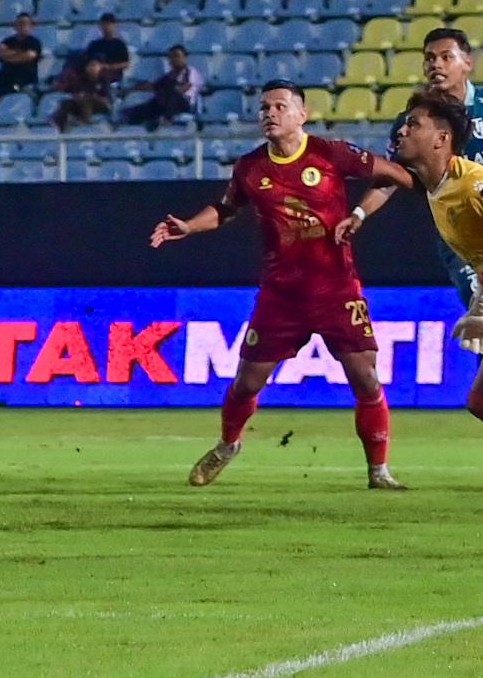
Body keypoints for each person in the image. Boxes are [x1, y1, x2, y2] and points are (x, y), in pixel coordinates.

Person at [149, 81, 411, 491]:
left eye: (279, 106)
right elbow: (225, 209)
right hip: (281, 298)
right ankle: (228, 444)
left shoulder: (331, 153)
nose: (269, 113)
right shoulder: (251, 167)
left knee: (366, 379)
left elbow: (397, 176)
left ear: (301, 114)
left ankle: (379, 471)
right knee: (246, 382)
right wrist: (190, 225)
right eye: (264, 107)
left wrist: (359, 212)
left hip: (336, 291)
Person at [336, 27, 483, 305]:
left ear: (467, 62)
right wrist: (359, 213)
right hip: (459, 230)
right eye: (429, 58)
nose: (435, 64)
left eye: (445, 57)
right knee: (477, 300)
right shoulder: (410, 124)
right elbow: (390, 176)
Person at [385, 91, 483, 425]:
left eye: (414, 124)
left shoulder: (472, 185)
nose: (402, 130)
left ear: (442, 138)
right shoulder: (438, 188)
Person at [0, 13, 42, 96]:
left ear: (31, 26)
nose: (21, 26)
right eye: (19, 24)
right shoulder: (8, 40)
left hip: (25, 77)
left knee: (9, 90)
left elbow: (28, 56)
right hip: (5, 74)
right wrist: (18, 55)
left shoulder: (34, 42)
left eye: (24, 24)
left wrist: (9, 55)